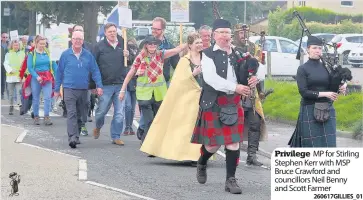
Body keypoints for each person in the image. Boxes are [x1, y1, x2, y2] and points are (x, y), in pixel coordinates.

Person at [190, 19, 258, 194]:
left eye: (227, 32)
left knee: (233, 142)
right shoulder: (207, 55)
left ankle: (230, 180)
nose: (225, 36)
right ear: (214, 35)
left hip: (233, 102)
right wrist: (235, 87)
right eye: (221, 32)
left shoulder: (239, 53)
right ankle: (202, 161)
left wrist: (254, 78)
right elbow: (211, 80)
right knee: (213, 145)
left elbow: (256, 69)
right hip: (214, 102)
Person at [139, 32, 203, 165]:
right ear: (190, 45)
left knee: (199, 127)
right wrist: (193, 74)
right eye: (197, 43)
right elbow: (179, 80)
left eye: (200, 43)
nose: (200, 45)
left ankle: (198, 154)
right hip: (187, 98)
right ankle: (188, 155)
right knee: (188, 126)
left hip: (201, 97)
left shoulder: (205, 58)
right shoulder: (185, 61)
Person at [118, 36, 186, 147]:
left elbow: (176, 50)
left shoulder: (161, 55)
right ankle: (148, 144)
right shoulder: (140, 57)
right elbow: (131, 73)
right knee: (149, 120)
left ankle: (150, 140)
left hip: (159, 94)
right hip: (144, 94)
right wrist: (122, 90)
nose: (152, 46)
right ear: (146, 45)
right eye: (150, 44)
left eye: (154, 44)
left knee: (157, 120)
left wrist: (186, 45)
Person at [288, 36, 347, 147]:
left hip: (327, 108)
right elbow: (304, 92)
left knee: (329, 145)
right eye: (314, 48)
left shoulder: (326, 67)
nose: (317, 50)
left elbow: (331, 88)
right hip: (309, 108)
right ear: (307, 50)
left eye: (319, 48)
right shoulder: (303, 69)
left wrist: (340, 88)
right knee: (311, 146)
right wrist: (325, 94)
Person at [55, 30, 103, 149]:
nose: (77, 41)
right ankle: (73, 137)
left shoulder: (88, 55)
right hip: (69, 88)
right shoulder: (65, 55)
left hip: (83, 89)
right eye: (75, 39)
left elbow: (95, 71)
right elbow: (59, 72)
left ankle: (77, 132)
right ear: (72, 40)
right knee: (71, 112)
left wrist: (99, 85)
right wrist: (56, 89)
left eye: (80, 39)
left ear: (83, 41)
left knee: (82, 113)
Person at [92, 23, 132, 146]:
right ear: (105, 33)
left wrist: (128, 56)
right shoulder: (99, 47)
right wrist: (94, 85)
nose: (112, 33)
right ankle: (98, 126)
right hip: (105, 85)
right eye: (110, 31)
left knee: (119, 113)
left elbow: (131, 62)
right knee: (101, 112)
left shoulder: (123, 44)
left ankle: (116, 136)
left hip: (120, 84)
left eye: (114, 31)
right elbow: (93, 66)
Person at [232, 23, 267, 166]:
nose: (243, 35)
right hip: (236, 91)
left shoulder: (254, 48)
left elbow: (262, 67)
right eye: (241, 32)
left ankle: (252, 155)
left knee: (255, 123)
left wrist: (257, 80)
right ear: (236, 34)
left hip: (252, 93)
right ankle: (234, 155)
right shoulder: (231, 49)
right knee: (235, 124)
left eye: (245, 32)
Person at [27, 35, 58, 125]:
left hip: (47, 77)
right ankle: (36, 116)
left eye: (44, 44)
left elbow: (54, 65)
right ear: (36, 43)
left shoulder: (48, 53)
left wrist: (57, 76)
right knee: (36, 98)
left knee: (48, 97)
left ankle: (46, 117)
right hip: (36, 77)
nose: (42, 45)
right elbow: (30, 68)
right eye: (41, 44)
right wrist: (37, 77)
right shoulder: (31, 54)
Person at [3, 40, 26, 115]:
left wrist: (24, 74)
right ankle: (11, 106)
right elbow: (5, 63)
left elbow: (25, 64)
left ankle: (20, 107)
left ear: (19, 46)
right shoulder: (8, 54)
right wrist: (10, 70)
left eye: (17, 45)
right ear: (12, 46)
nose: (16, 46)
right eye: (14, 45)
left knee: (19, 92)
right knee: (11, 94)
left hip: (19, 77)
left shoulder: (22, 54)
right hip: (10, 77)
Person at [123, 38, 139, 136]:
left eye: (133, 45)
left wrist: (130, 56)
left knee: (132, 107)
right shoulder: (124, 53)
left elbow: (137, 63)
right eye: (129, 45)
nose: (131, 46)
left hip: (136, 82)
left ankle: (130, 126)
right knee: (128, 106)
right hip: (126, 82)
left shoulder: (138, 53)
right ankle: (127, 126)